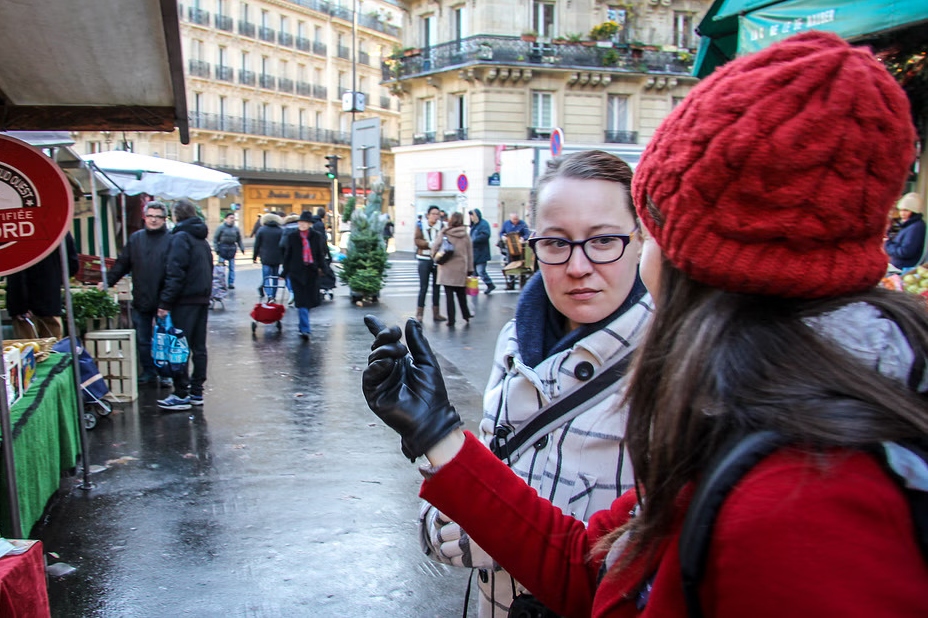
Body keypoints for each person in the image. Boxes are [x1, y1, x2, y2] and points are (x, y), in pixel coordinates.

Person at [362, 32, 928, 616]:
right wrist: (438, 437)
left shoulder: (800, 509)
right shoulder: (756, 419)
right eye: (555, 243)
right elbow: (585, 560)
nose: (584, 265)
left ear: (700, 262)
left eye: (640, 234)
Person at [421, 151, 651, 615]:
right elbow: (485, 466)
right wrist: (440, 507)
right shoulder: (514, 341)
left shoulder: (677, 368)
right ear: (534, 245)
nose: (578, 266)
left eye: (604, 240)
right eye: (555, 243)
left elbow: (649, 561)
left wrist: (498, 534)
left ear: (641, 238)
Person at [101, 201, 172, 385]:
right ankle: (149, 371)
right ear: (144, 217)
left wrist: (167, 300)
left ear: (164, 219)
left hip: (166, 300)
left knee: (165, 341)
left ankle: (166, 374)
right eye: (150, 216)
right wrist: (108, 281)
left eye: (158, 217)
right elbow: (123, 263)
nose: (154, 220)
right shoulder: (136, 239)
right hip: (141, 298)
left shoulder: (172, 239)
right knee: (143, 339)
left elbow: (177, 273)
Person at [157, 200, 213, 411]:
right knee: (198, 347)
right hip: (201, 298)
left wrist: (165, 302)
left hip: (185, 300)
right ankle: (196, 391)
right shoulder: (201, 239)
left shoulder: (181, 238)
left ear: (175, 215)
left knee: (179, 347)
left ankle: (181, 393)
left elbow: (175, 273)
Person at [7, 233, 78, 340]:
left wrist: (19, 306)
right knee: (53, 349)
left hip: (23, 306)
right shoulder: (59, 228)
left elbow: (16, 269)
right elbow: (73, 265)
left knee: (28, 350)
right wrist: (54, 280)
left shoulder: (19, 228)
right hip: (51, 300)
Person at [280, 211, 328, 340]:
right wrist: (284, 273)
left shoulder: (316, 236)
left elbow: (319, 254)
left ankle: (303, 324)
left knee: (309, 302)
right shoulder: (292, 237)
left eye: (304, 223)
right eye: (300, 222)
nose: (301, 225)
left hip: (311, 272)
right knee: (301, 302)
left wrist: (324, 268)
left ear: (309, 224)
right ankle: (305, 329)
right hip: (296, 273)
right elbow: (287, 256)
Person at [431, 212, 473, 328]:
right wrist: (470, 269)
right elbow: (470, 254)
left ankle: (451, 319)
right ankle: (466, 315)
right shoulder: (465, 235)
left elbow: (435, 247)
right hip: (460, 268)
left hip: (446, 268)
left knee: (449, 297)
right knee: (461, 294)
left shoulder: (445, 232)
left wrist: (436, 257)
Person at [414, 205, 447, 323]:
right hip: (424, 258)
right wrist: (429, 244)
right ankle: (419, 313)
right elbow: (417, 240)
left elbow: (446, 240)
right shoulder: (420, 225)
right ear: (428, 215)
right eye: (433, 214)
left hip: (437, 259)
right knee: (423, 287)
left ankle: (436, 313)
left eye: (437, 214)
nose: (435, 216)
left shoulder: (442, 227)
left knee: (437, 287)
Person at [885, 192, 926, 268]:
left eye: (906, 210)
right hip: (899, 264)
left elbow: (905, 252)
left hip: (904, 267)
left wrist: (887, 244)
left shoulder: (915, 227)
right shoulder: (908, 224)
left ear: (913, 212)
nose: (902, 213)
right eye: (901, 210)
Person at [252, 212, 285, 301]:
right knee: (275, 277)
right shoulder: (280, 230)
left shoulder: (262, 230)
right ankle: (274, 295)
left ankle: (269, 294)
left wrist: (254, 257)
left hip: (265, 257)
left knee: (266, 276)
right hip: (277, 258)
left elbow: (257, 245)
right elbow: (284, 245)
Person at [213, 212, 245, 289]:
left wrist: (242, 248)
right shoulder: (221, 228)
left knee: (232, 268)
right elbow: (215, 239)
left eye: (233, 218)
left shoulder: (236, 229)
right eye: (230, 218)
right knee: (221, 269)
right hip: (223, 249)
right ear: (226, 219)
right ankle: (221, 283)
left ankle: (231, 283)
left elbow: (239, 239)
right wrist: (216, 249)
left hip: (232, 249)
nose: (232, 219)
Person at [499, 212, 531, 289]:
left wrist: (523, 238)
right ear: (510, 219)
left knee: (522, 264)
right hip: (510, 247)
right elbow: (501, 232)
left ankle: (522, 283)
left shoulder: (522, 223)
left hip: (520, 247)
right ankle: (511, 283)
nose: (515, 221)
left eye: (516, 219)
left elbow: (527, 234)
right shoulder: (506, 223)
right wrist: (503, 237)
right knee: (510, 264)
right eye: (514, 219)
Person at [468, 209, 495, 295]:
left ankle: (490, 284)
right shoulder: (474, 225)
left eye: (472, 216)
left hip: (481, 252)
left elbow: (485, 235)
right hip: (475, 252)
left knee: (480, 271)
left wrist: (473, 240)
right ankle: (473, 289)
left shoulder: (483, 224)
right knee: (474, 273)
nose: (471, 218)